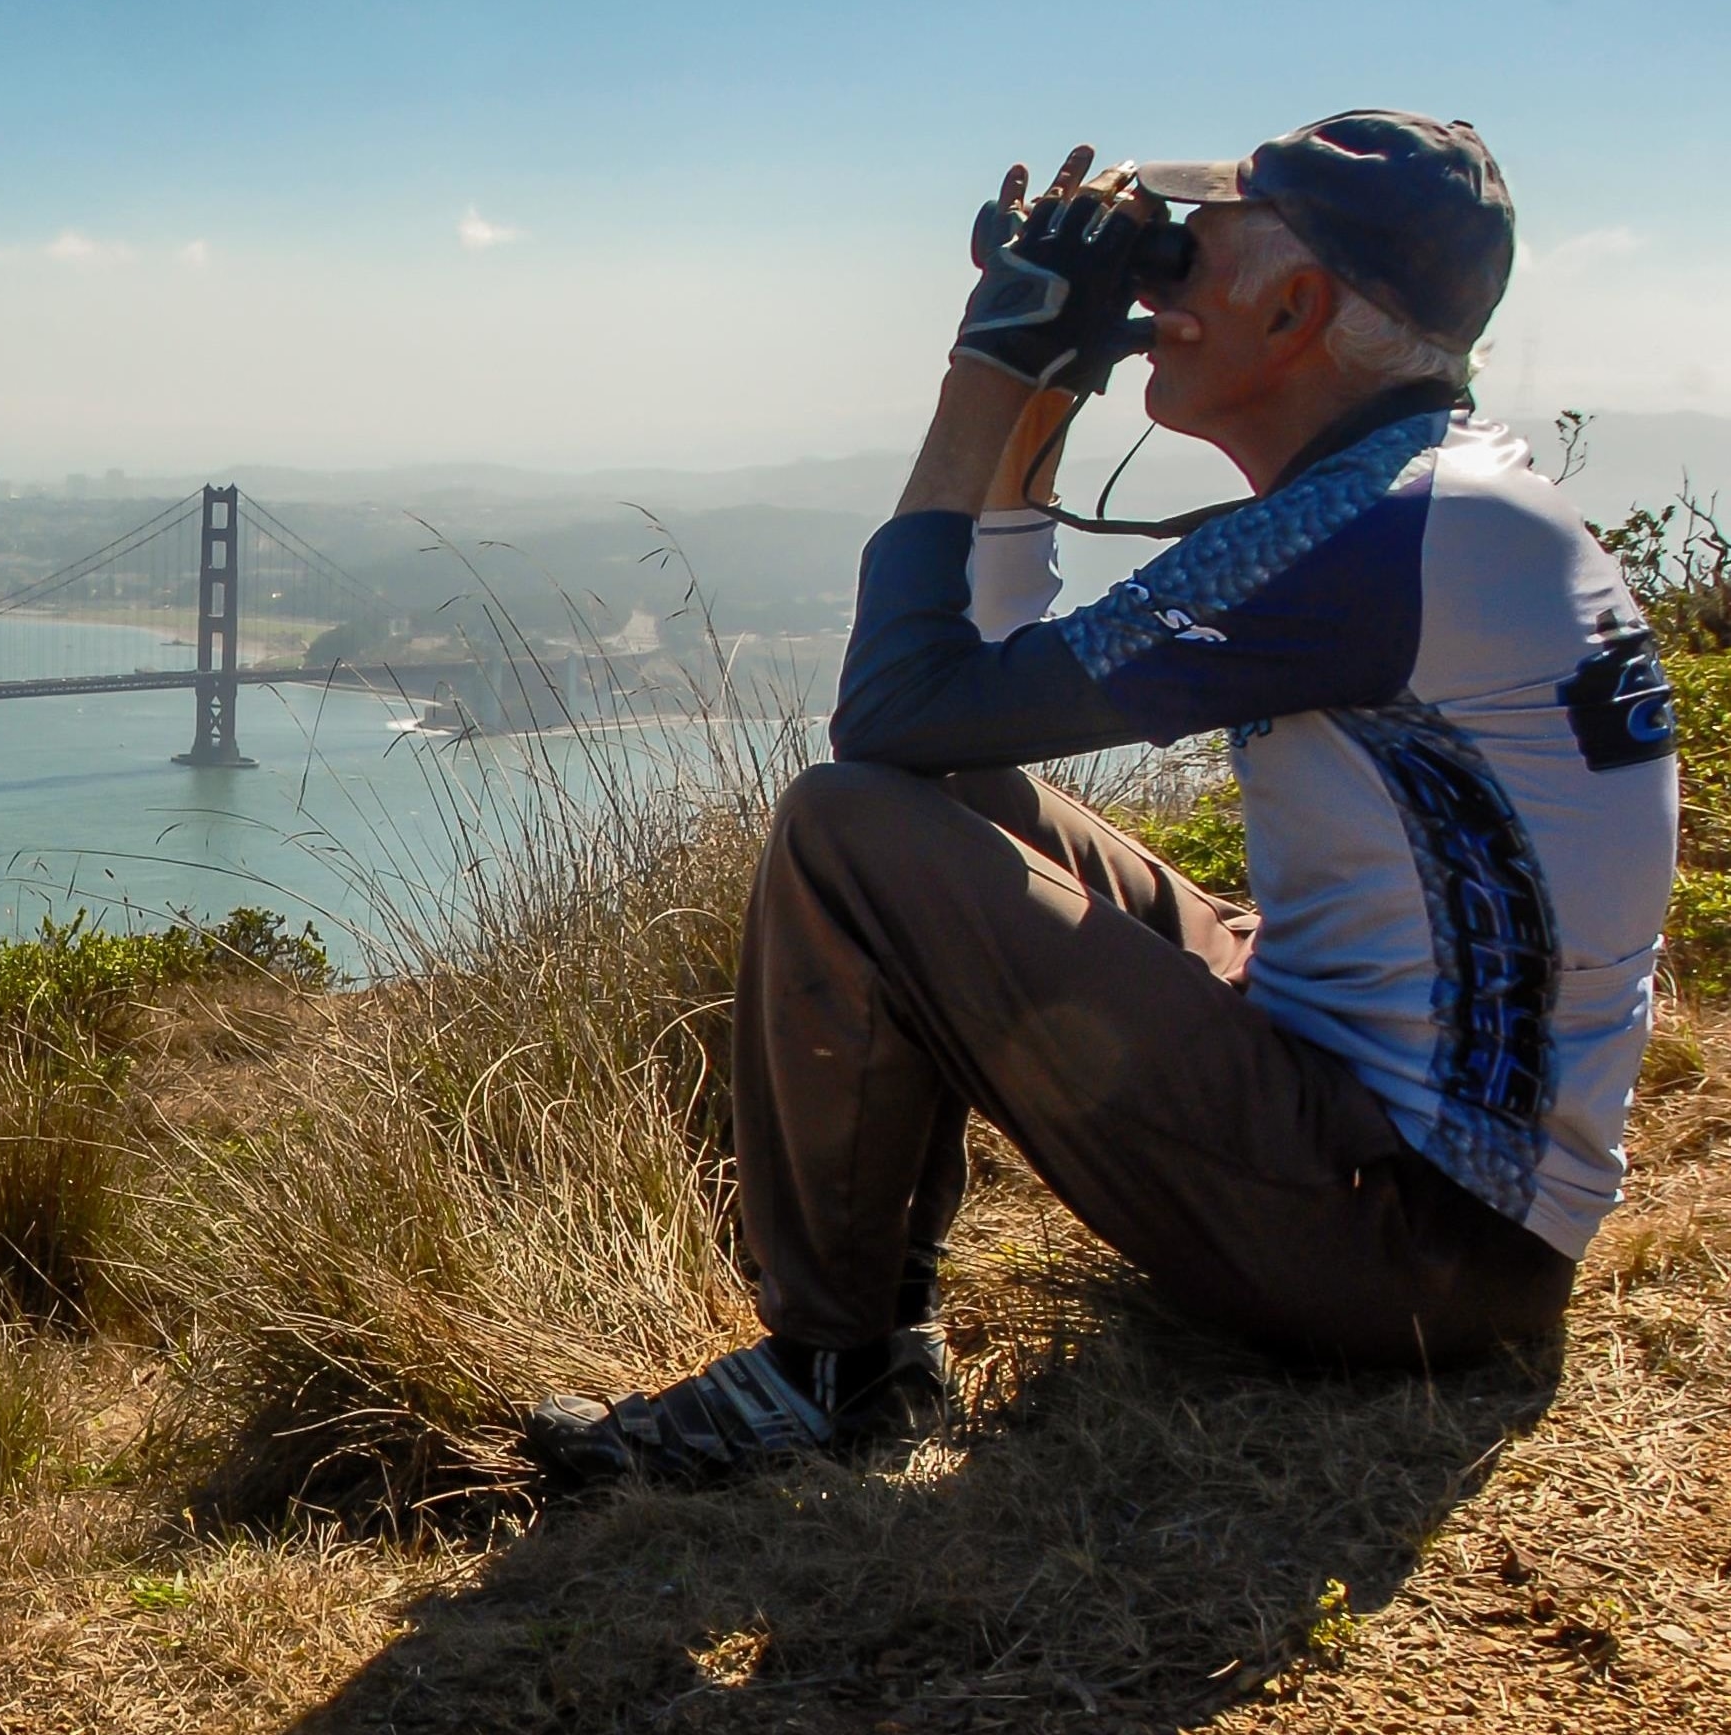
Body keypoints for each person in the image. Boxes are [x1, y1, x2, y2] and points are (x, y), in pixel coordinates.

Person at [526, 111, 1681, 1487]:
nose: (1152, 294)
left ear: (1299, 305)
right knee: (934, 791)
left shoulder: (1373, 534)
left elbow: (894, 705)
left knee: (848, 828)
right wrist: (1052, 392)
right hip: (1450, 1201)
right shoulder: (1429, 502)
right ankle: (852, 1349)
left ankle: (830, 1370)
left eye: (1184, 260)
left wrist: (990, 368)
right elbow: (960, 711)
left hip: (1411, 1246)